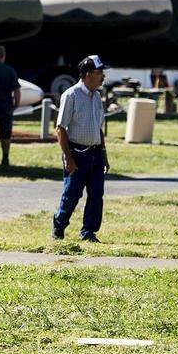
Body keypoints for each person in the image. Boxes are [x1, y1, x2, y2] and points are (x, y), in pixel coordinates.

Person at [52, 55, 110, 243]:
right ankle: (59, 226)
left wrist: (104, 154)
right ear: (87, 74)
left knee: (96, 195)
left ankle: (88, 232)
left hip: (95, 153)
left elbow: (98, 128)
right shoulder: (71, 95)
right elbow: (60, 128)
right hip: (76, 154)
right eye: (99, 73)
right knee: (72, 195)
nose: (102, 76)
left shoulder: (97, 96)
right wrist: (68, 158)